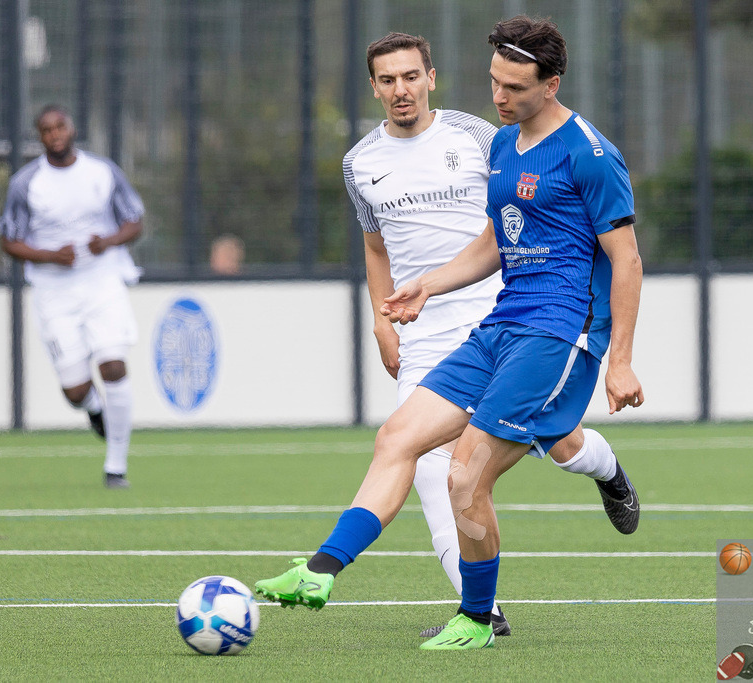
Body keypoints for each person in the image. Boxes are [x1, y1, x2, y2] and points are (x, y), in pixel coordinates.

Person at [255, 16, 644, 650]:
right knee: (398, 440)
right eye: (494, 82)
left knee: (465, 477)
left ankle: (477, 617)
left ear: (551, 84)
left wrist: (619, 360)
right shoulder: (502, 144)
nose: (498, 98)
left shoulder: (589, 154)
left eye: (514, 88)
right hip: (500, 325)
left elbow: (625, 259)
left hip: (558, 334)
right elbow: (494, 239)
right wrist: (428, 285)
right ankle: (321, 568)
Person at [0, 104, 144, 489]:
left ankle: (116, 468)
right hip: (54, 292)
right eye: (46, 130)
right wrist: (50, 256)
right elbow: (8, 241)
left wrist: (107, 242)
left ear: (72, 128)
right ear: (40, 137)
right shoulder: (26, 184)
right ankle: (93, 407)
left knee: (113, 364)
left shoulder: (102, 172)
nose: (55, 134)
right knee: (76, 390)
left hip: (102, 281)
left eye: (60, 126)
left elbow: (135, 221)